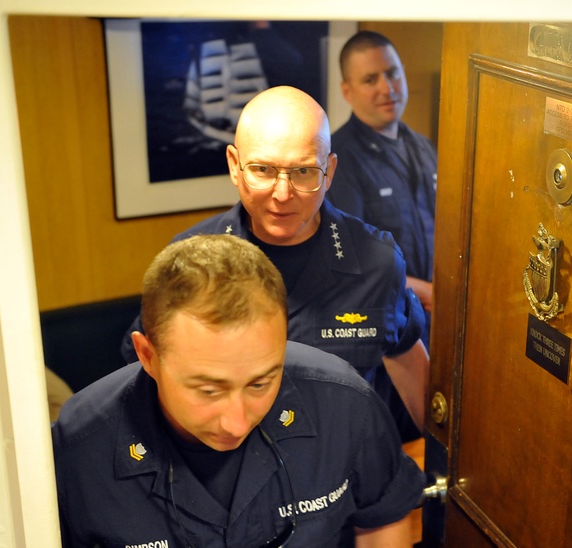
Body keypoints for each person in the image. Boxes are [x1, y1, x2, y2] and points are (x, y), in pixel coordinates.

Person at [55, 233, 424, 548]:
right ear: (147, 356)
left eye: (261, 383)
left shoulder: (343, 402)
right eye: (208, 389)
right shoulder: (84, 442)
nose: (237, 421)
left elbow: (384, 512)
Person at [122, 85, 429, 438]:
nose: (282, 195)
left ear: (329, 171)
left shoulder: (377, 262)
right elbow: (145, 382)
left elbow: (412, 370)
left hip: (338, 474)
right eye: (263, 170)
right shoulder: (188, 262)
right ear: (234, 167)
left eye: (303, 172)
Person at [327, 30, 437, 345]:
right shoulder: (339, 160)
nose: (386, 88)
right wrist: (425, 291)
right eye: (370, 80)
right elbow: (351, 261)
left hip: (436, 319)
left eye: (392, 74)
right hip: (386, 328)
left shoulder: (423, 147)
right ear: (347, 91)